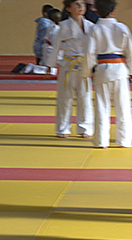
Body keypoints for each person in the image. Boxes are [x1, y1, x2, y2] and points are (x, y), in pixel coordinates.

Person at [82, 0, 132, 149]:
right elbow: (130, 51)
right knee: (123, 106)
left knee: (101, 106)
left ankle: (101, 141)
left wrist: (87, 71)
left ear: (97, 12)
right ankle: (125, 140)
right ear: (113, 11)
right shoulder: (122, 28)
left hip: (102, 69)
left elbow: (89, 53)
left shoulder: (94, 29)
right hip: (119, 69)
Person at [45, 0, 94, 139]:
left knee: (85, 97)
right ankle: (63, 128)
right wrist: (50, 65)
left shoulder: (91, 26)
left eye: (82, 4)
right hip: (68, 64)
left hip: (84, 65)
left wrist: (94, 66)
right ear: (68, 8)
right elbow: (55, 47)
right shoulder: (63, 26)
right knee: (64, 98)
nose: (80, 7)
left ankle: (85, 128)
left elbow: (94, 48)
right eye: (77, 4)